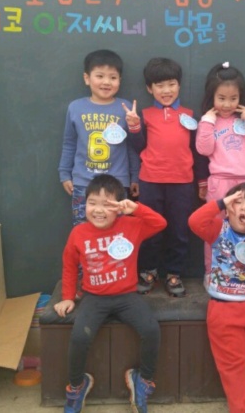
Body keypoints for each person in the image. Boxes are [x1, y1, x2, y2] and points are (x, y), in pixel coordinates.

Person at [53, 174, 167, 413]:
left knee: (151, 330)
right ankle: (76, 386)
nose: (98, 210)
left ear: (119, 207)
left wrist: (136, 209)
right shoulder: (78, 233)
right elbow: (69, 265)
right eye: (92, 203)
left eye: (107, 204)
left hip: (127, 296)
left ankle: (143, 381)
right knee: (79, 337)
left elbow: (160, 224)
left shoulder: (132, 226)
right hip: (94, 297)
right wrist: (67, 296)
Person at [188, 182, 245, 413]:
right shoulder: (218, 228)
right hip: (223, 309)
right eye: (238, 202)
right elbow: (195, 222)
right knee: (232, 365)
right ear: (228, 210)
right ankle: (240, 408)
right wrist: (221, 203)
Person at [128, 57, 209, 297]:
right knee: (150, 229)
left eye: (171, 84)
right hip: (150, 181)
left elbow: (198, 151)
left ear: (179, 85)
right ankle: (148, 271)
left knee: (179, 231)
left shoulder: (189, 116)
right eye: (159, 85)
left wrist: (202, 181)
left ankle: (174, 273)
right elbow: (138, 147)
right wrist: (134, 127)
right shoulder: (144, 115)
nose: (166, 90)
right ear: (149, 88)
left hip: (182, 183)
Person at [58, 49, 141, 227]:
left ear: (120, 80)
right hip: (83, 181)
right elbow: (69, 143)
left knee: (118, 230)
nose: (106, 82)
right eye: (100, 76)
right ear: (87, 78)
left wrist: (135, 176)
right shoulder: (76, 107)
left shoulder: (125, 108)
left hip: (117, 182)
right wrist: (64, 173)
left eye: (113, 77)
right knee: (82, 227)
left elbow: (131, 147)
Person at [196, 62, 245, 270]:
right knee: (216, 228)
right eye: (221, 98)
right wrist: (207, 122)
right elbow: (204, 149)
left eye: (233, 98)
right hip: (220, 182)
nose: (227, 104)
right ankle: (212, 271)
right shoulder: (209, 121)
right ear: (212, 97)